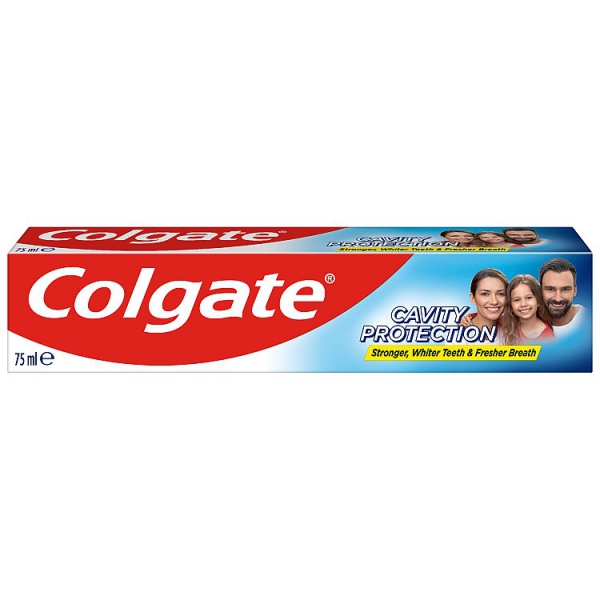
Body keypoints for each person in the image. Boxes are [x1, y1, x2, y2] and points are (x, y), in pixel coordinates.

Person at [502, 275, 555, 345]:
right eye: (517, 300)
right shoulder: (507, 322)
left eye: (529, 298)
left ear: (538, 301)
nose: (523, 304)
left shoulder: (547, 337)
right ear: (511, 306)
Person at [538, 258, 584, 338]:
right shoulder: (526, 322)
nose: (558, 299)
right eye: (550, 289)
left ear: (575, 290)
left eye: (565, 289)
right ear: (540, 290)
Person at [463, 268, 508, 342]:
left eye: (500, 294)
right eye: (485, 294)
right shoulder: (458, 337)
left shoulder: (512, 332)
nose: (494, 302)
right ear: (473, 298)